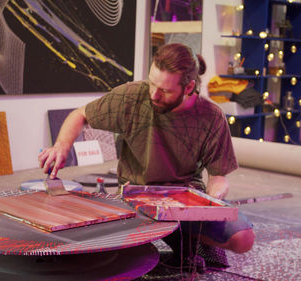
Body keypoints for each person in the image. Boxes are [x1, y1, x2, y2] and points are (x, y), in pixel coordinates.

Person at [38, 43, 254, 269]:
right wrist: (61, 146)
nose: (153, 94)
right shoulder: (132, 96)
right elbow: (79, 115)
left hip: (184, 198)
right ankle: (175, 237)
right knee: (109, 258)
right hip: (135, 195)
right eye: (152, 83)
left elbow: (218, 177)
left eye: (165, 91)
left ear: (189, 87)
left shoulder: (211, 117)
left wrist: (210, 202)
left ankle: (184, 235)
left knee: (243, 238)